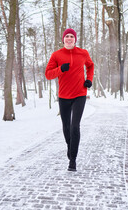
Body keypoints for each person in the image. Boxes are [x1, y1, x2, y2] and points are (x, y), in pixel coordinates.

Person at [45, 28, 94, 171]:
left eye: (72, 36)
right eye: (67, 36)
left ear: (75, 39)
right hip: (64, 96)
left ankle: (73, 159)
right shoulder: (56, 55)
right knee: (66, 127)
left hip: (80, 94)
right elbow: (48, 74)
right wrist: (61, 69)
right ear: (63, 39)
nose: (69, 38)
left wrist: (89, 80)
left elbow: (90, 66)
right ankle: (70, 145)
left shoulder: (83, 53)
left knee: (74, 126)